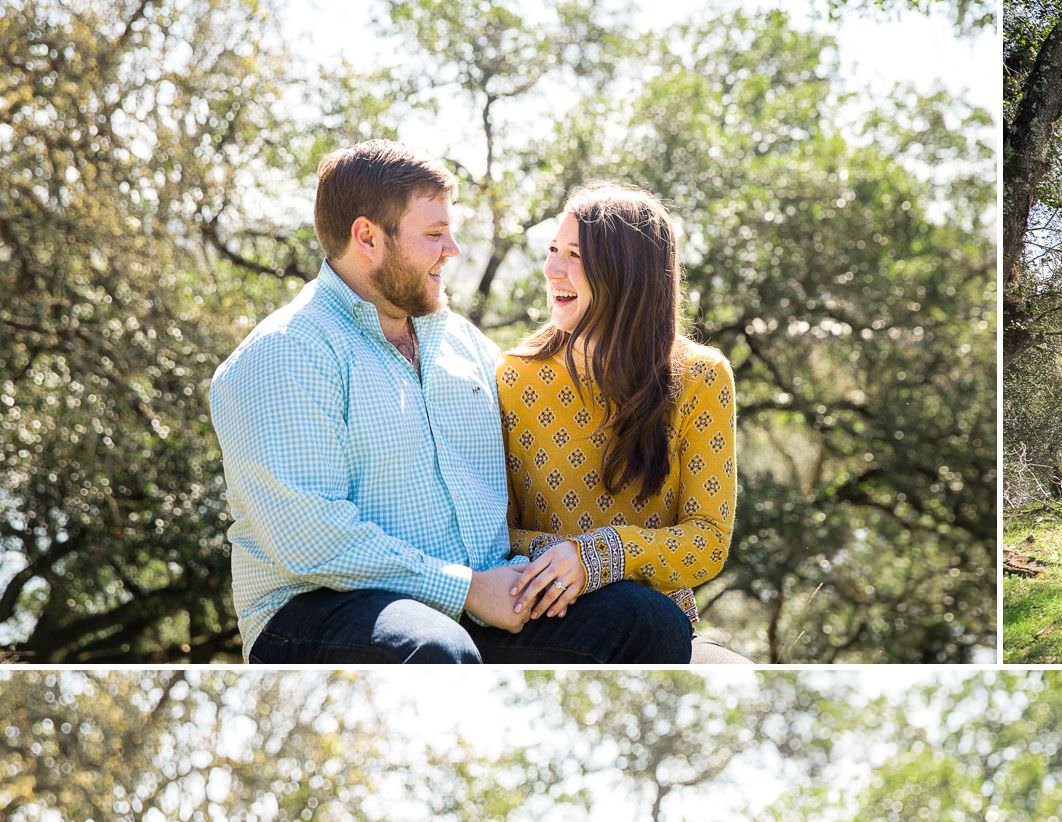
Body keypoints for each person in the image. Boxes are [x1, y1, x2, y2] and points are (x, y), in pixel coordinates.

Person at [209, 142, 695, 663]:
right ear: (367, 236)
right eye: (435, 235)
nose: (454, 250)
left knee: (646, 621)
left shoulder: (465, 346)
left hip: (482, 604)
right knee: (435, 648)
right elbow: (310, 538)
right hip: (317, 610)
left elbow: (550, 458)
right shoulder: (286, 353)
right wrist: (464, 589)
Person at [497, 184, 736, 644]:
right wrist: (564, 561)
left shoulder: (703, 378)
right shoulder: (513, 378)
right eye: (552, 251)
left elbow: (707, 540)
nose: (552, 270)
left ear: (627, 272)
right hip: (540, 615)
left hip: (652, 624)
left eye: (574, 256)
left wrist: (599, 556)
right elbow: (493, 531)